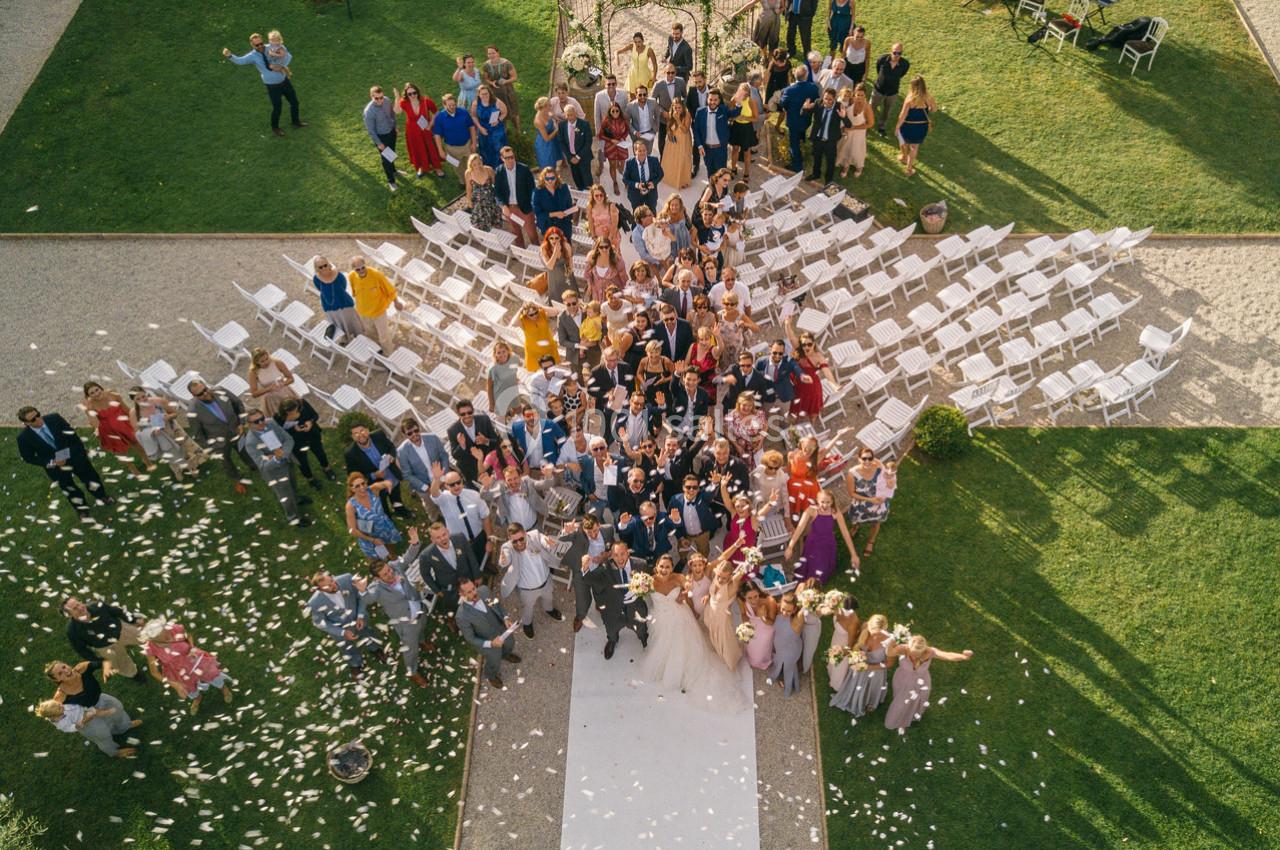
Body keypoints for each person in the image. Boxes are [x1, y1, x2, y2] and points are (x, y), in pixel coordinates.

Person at [642, 553, 748, 709]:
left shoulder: (678, 577)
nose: (664, 570)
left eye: (668, 567)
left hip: (679, 615)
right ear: (656, 566)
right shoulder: (649, 581)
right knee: (663, 644)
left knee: (682, 643)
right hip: (660, 619)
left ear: (672, 568)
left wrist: (685, 593)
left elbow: (687, 586)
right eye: (662, 566)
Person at [361, 532, 432, 689]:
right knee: (410, 650)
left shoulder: (394, 567)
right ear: (377, 578)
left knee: (422, 626)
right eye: (385, 574)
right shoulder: (376, 589)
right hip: (405, 623)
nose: (390, 574)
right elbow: (367, 599)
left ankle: (423, 641)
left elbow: (407, 558)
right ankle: (412, 671)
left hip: (418, 607)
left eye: (389, 570)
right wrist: (361, 591)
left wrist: (414, 544)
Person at [17, 407, 112, 520]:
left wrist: (68, 454)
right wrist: (52, 462)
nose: (38, 419)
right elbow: (28, 458)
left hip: (75, 456)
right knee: (68, 488)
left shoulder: (54, 418)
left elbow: (71, 434)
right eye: (33, 419)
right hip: (56, 468)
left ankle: (102, 496)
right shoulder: (23, 438)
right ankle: (82, 509)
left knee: (90, 477)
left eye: (38, 414)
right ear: (26, 423)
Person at [40, 661, 140, 758]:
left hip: (100, 699)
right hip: (85, 715)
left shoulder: (82, 669)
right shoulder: (60, 696)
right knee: (102, 735)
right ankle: (114, 752)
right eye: (60, 673)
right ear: (57, 680)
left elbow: (102, 662)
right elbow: (53, 715)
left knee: (117, 709)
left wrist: (107, 667)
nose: (66, 671)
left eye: (64, 667)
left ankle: (124, 726)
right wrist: (79, 722)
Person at [221, 32, 304, 136]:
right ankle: (275, 128)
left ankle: (296, 122)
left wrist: (281, 63)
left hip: (284, 81)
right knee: (277, 108)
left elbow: (286, 54)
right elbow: (240, 61)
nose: (260, 46)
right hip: (272, 86)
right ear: (252, 45)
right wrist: (230, 56)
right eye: (257, 45)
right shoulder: (252, 56)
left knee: (294, 102)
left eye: (261, 43)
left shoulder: (271, 47)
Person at [309, 568, 385, 680]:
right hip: (340, 629)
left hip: (359, 618)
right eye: (328, 586)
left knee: (367, 633)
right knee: (347, 648)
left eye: (332, 581)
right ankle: (355, 664)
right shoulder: (314, 602)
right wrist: (342, 632)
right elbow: (320, 622)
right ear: (319, 589)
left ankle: (376, 649)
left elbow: (361, 596)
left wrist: (360, 615)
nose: (334, 585)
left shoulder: (347, 579)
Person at [885, 635, 974, 731]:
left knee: (917, 700)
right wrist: (891, 642)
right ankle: (893, 721)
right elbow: (890, 652)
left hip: (922, 682)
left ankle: (912, 715)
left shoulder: (930, 651)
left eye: (917, 655)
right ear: (908, 647)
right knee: (900, 700)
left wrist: (964, 656)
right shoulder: (903, 648)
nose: (914, 657)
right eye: (912, 654)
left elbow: (948, 655)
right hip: (902, 680)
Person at [240, 407, 311, 526]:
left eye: (262, 418)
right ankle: (292, 517)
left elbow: (288, 439)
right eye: (256, 421)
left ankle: (297, 499)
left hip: (287, 460)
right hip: (275, 472)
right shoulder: (250, 442)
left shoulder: (271, 423)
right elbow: (263, 465)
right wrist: (276, 458)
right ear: (249, 424)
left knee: (293, 483)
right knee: (285, 496)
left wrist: (283, 454)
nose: (261, 422)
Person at [143, 621, 231, 715]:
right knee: (189, 688)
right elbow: (154, 672)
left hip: (195, 660)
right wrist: (175, 685)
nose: (167, 635)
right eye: (161, 636)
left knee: (212, 675)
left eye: (165, 631)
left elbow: (188, 636)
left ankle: (223, 688)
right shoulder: (150, 648)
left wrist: (192, 648)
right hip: (177, 671)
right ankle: (197, 698)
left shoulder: (174, 628)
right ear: (152, 639)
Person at [582, 541, 650, 660]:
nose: (619, 558)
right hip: (614, 609)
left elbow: (650, 581)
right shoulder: (605, 567)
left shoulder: (641, 565)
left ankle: (643, 637)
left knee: (641, 628)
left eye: (622, 554)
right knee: (611, 629)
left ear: (628, 552)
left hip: (635, 608)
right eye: (616, 555)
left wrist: (646, 587)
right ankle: (612, 640)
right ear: (611, 556)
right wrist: (585, 568)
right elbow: (591, 579)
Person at [497, 523, 566, 637]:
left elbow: (546, 542)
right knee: (527, 608)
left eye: (521, 539)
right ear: (509, 540)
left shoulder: (534, 535)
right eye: (514, 541)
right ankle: (527, 623)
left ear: (525, 533)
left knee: (548, 599)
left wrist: (550, 544)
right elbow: (505, 559)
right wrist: (503, 561)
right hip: (527, 590)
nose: (519, 543)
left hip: (546, 582)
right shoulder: (507, 547)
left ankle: (549, 610)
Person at [187, 380, 251, 494]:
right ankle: (237, 480)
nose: (205, 393)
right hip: (219, 443)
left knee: (245, 450)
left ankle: (253, 465)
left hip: (237, 430)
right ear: (193, 396)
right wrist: (211, 449)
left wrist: (241, 422)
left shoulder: (221, 391)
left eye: (205, 389)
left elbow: (238, 404)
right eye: (200, 394)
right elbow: (198, 434)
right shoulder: (193, 411)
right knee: (226, 462)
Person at [457, 577, 522, 689]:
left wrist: (505, 618)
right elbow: (470, 638)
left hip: (501, 628)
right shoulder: (461, 616)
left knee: (510, 643)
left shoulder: (484, 590)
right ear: (461, 594)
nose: (474, 593)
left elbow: (497, 605)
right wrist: (491, 644)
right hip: (487, 641)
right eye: (469, 592)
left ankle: (506, 654)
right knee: (494, 660)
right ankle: (491, 675)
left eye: (474, 588)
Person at [62, 596, 147, 682]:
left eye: (78, 604)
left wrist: (134, 620)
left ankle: (154, 651)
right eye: (75, 608)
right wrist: (100, 661)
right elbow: (81, 650)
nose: (80, 608)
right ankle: (134, 674)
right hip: (106, 647)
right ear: (69, 615)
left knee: (146, 638)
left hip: (121, 630)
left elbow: (116, 611)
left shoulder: (96, 605)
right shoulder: (72, 631)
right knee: (122, 665)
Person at [416, 521, 482, 628]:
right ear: (432, 540)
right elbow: (425, 574)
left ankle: (475, 615)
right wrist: (437, 591)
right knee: (451, 607)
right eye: (438, 537)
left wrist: (477, 575)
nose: (443, 539)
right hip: (448, 588)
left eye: (444, 534)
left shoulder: (460, 538)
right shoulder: (426, 555)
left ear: (448, 532)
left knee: (472, 598)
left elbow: (471, 557)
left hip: (467, 580)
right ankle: (451, 621)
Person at [786, 489, 856, 585]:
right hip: (813, 544)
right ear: (817, 501)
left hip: (828, 545)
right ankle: (805, 584)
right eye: (822, 502)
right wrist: (790, 546)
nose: (825, 505)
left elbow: (845, 533)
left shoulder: (835, 512)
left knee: (822, 568)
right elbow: (799, 528)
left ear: (832, 502)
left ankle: (817, 585)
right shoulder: (812, 510)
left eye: (828, 502)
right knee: (811, 565)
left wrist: (853, 554)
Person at [430, 468, 495, 567]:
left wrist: (489, 540)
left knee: (486, 558)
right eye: (452, 484)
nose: (456, 486)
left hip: (479, 537)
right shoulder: (443, 499)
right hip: (461, 543)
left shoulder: (474, 495)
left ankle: (488, 567)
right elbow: (434, 494)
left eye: (458, 482)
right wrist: (436, 479)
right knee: (469, 565)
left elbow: (485, 517)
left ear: (462, 481)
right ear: (446, 486)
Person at [829, 613, 892, 715]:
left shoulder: (889, 642)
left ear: (884, 629)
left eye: (877, 633)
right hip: (858, 667)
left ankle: (869, 701)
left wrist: (868, 667)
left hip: (875, 672)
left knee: (869, 690)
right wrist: (852, 654)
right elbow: (855, 645)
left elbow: (889, 664)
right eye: (872, 631)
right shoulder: (865, 627)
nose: (873, 635)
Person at [81, 381, 148, 476]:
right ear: (88, 396)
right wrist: (88, 411)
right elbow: (96, 424)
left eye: (97, 390)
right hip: (109, 431)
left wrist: (134, 419)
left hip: (124, 424)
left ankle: (146, 459)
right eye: (92, 393)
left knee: (136, 443)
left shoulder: (113, 394)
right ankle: (132, 468)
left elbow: (125, 408)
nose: (96, 393)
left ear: (101, 388)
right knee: (120, 452)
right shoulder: (90, 406)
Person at [345, 422, 410, 518]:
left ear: (367, 430)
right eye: (356, 433)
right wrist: (374, 475)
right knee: (382, 505)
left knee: (396, 496)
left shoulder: (379, 435)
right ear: (353, 437)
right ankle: (387, 517)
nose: (360, 435)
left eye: (362, 430)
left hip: (392, 476)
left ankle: (400, 510)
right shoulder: (350, 454)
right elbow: (354, 476)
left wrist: (391, 455)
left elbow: (391, 446)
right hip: (375, 486)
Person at [126, 389, 191, 481]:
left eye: (143, 396)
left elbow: (175, 413)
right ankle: (176, 469)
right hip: (158, 436)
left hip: (171, 429)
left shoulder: (158, 401)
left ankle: (190, 466)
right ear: (134, 401)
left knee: (182, 449)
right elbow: (137, 432)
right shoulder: (133, 413)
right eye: (138, 399)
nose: (142, 400)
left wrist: (168, 417)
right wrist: (150, 432)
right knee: (169, 454)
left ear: (146, 393)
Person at [274, 397, 335, 488]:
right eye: (291, 412)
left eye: (296, 410)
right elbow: (280, 433)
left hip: (312, 435)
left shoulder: (303, 404)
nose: (295, 413)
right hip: (296, 441)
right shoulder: (278, 417)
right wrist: (293, 430)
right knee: (302, 461)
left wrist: (310, 422)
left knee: (320, 453)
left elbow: (315, 415)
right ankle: (310, 479)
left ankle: (327, 469)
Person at [348, 255, 403, 354]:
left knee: (384, 337)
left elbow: (390, 290)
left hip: (379, 312)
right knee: (371, 333)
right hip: (363, 311)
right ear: (353, 269)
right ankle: (378, 350)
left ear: (365, 265)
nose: (361, 270)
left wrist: (396, 302)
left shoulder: (377, 275)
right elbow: (354, 292)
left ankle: (389, 356)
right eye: (357, 269)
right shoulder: (351, 276)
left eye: (362, 267)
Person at [703, 558, 748, 671]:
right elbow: (712, 592)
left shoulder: (732, 586)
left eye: (724, 578)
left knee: (725, 640)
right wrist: (707, 596)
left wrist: (750, 559)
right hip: (710, 613)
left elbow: (740, 573)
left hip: (721, 618)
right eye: (719, 576)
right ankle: (719, 652)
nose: (720, 579)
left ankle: (730, 661)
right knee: (713, 637)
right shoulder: (716, 577)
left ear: (730, 576)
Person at [397, 417, 451, 509]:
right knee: (431, 508)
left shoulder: (433, 438)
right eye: (410, 433)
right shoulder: (402, 451)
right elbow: (407, 475)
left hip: (442, 478)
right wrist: (426, 488)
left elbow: (444, 456)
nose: (414, 434)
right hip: (423, 485)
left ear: (419, 428)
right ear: (405, 435)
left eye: (416, 430)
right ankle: (435, 520)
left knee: (450, 502)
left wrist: (442, 477)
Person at [844, 447, 889, 556]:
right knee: (855, 520)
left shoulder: (878, 468)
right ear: (858, 459)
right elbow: (852, 494)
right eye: (864, 458)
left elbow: (888, 479)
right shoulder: (852, 473)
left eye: (870, 458)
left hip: (878, 504)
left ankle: (870, 542)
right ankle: (855, 527)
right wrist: (869, 499)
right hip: (861, 504)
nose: (867, 461)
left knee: (876, 523)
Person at [394, 81, 444, 179]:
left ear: (417, 92)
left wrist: (430, 125)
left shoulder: (426, 101)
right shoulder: (404, 102)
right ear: (406, 94)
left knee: (431, 148)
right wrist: (397, 97)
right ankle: (421, 167)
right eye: (410, 94)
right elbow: (397, 111)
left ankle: (437, 167)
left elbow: (436, 112)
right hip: (412, 132)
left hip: (426, 130)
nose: (412, 95)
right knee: (417, 149)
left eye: (414, 93)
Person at [446, 400, 502, 485]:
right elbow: (455, 455)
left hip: (488, 461)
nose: (467, 416)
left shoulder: (484, 420)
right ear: (458, 415)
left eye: (469, 412)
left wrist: (486, 441)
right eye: (463, 414)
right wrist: (462, 446)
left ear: (473, 411)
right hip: (469, 468)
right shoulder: (453, 430)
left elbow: (497, 442)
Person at [494, 145, 538, 246]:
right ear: (502, 158)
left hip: (525, 207)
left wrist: (532, 206)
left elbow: (532, 189)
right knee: (516, 232)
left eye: (512, 157)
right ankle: (521, 253)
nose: (510, 160)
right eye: (507, 158)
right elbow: (497, 192)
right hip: (510, 208)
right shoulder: (499, 171)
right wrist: (503, 206)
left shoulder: (524, 169)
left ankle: (539, 253)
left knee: (532, 234)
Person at [779, 66, 820, 173]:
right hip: (806, 119)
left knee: (794, 143)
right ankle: (802, 143)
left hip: (793, 121)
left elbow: (783, 104)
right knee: (801, 134)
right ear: (806, 76)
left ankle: (797, 166)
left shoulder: (788, 90)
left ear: (795, 76)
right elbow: (815, 101)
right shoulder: (813, 88)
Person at [693, 89, 742, 177]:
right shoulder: (700, 112)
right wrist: (699, 146)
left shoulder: (723, 109)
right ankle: (712, 190)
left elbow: (735, 113)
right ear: (707, 99)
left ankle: (723, 191)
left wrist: (738, 102)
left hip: (720, 149)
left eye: (715, 100)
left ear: (719, 100)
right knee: (710, 174)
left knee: (722, 175)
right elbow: (696, 130)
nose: (712, 102)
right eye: (710, 99)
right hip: (706, 150)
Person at [312, 256, 362, 343]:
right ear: (317, 269)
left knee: (352, 322)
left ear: (329, 264)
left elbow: (343, 286)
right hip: (329, 307)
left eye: (325, 265)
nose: (324, 268)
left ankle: (359, 336)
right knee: (339, 324)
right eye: (321, 267)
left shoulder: (339, 276)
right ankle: (345, 338)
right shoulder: (316, 279)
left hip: (344, 304)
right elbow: (320, 289)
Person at [895, 75, 936, 177]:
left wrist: (897, 126)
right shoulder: (928, 96)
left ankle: (903, 156)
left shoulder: (910, 98)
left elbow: (902, 115)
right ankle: (909, 168)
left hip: (908, 125)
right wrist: (928, 109)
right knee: (914, 147)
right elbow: (934, 109)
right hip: (921, 126)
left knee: (903, 141)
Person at [807, 86, 849, 184]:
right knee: (817, 157)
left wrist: (844, 117)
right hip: (818, 138)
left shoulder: (839, 107)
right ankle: (816, 174)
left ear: (834, 98)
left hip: (830, 141)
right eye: (825, 98)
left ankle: (828, 180)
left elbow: (849, 124)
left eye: (830, 99)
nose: (827, 101)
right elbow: (804, 114)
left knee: (830, 162)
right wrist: (805, 108)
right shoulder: (818, 102)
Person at [432, 93, 477, 182]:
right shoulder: (440, 118)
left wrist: (474, 142)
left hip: (467, 145)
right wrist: (440, 150)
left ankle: (475, 179)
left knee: (473, 163)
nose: (453, 107)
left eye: (454, 104)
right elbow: (437, 135)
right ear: (444, 105)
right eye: (450, 105)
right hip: (452, 148)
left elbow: (471, 127)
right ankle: (463, 181)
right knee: (458, 166)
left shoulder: (463, 112)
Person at [363, 86, 400, 192]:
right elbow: (371, 131)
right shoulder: (369, 111)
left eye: (381, 97)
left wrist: (395, 126)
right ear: (371, 97)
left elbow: (392, 114)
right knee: (386, 159)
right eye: (377, 98)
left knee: (392, 152)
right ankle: (391, 181)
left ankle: (394, 171)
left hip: (391, 132)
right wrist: (379, 143)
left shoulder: (387, 100)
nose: (380, 100)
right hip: (381, 137)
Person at [768, 592, 805, 695]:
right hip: (779, 646)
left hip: (791, 649)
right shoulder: (779, 612)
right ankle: (779, 674)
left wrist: (808, 600)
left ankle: (788, 685)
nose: (784, 613)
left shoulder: (797, 620)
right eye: (783, 609)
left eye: (789, 611)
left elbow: (804, 611)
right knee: (778, 659)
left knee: (788, 664)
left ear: (794, 609)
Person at [756, 338, 809, 409]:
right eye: (775, 352)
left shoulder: (788, 362)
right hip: (768, 398)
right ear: (770, 348)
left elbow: (795, 367)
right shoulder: (761, 362)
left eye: (780, 353)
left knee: (784, 418)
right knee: (767, 416)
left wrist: (801, 375)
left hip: (784, 396)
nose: (777, 356)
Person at [246, 346, 297, 417]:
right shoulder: (253, 372)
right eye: (262, 361)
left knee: (295, 411)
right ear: (256, 362)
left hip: (285, 393)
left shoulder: (277, 363)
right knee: (281, 417)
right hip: (270, 399)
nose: (266, 362)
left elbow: (291, 379)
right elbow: (254, 394)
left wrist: (282, 384)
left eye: (267, 359)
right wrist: (269, 388)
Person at [871, 43, 910, 135]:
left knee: (887, 111)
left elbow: (902, 74)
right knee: (871, 107)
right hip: (879, 90)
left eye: (899, 53)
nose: (897, 55)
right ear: (891, 51)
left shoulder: (905, 64)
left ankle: (881, 127)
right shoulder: (882, 59)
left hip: (892, 92)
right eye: (895, 52)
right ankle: (867, 122)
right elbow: (878, 69)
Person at [836, 83, 874, 178]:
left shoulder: (867, 107)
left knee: (856, 151)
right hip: (847, 130)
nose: (859, 97)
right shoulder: (850, 101)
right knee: (845, 148)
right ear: (854, 94)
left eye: (862, 95)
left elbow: (870, 123)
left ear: (865, 95)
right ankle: (845, 166)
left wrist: (855, 128)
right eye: (858, 95)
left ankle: (859, 167)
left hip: (859, 132)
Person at [481, 45, 521, 132]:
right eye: (489, 53)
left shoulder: (506, 63)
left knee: (513, 111)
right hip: (494, 92)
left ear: (498, 53)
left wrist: (505, 81)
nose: (491, 55)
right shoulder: (486, 66)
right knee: (498, 111)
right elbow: (485, 78)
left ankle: (518, 130)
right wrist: (491, 83)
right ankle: (504, 130)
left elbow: (514, 77)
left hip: (507, 91)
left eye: (493, 53)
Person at [739, 582, 777, 670]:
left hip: (766, 627)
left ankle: (764, 660)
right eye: (749, 598)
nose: (753, 600)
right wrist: (745, 626)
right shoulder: (741, 599)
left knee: (762, 651)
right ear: (744, 596)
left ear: (759, 592)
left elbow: (772, 622)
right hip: (752, 625)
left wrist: (762, 617)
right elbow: (743, 614)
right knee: (751, 646)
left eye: (756, 596)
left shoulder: (769, 601)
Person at [557, 103, 595, 191]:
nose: (569, 117)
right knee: (577, 178)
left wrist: (578, 157)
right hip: (571, 158)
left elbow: (588, 142)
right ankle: (581, 195)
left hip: (584, 157)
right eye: (567, 115)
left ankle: (591, 197)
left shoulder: (584, 124)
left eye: (571, 114)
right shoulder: (562, 125)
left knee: (587, 180)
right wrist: (570, 157)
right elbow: (561, 142)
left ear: (575, 113)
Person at [471, 84, 509, 170]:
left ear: (489, 93)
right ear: (479, 95)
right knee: (485, 151)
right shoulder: (476, 104)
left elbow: (505, 112)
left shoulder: (496, 102)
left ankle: (501, 169)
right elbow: (473, 116)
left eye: (486, 93)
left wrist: (498, 120)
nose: (484, 96)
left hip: (497, 130)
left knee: (498, 150)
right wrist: (480, 128)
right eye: (482, 94)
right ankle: (489, 170)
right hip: (483, 130)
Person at [515, 302, 561, 371]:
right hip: (534, 352)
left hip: (549, 348)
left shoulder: (541, 314)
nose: (534, 315)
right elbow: (513, 323)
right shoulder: (523, 320)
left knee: (554, 369)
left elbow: (556, 312)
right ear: (526, 314)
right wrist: (521, 310)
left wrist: (540, 306)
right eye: (531, 315)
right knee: (539, 374)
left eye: (535, 312)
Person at [597, 101, 631, 195]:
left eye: (617, 111)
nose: (615, 113)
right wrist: (611, 140)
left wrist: (623, 138)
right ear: (610, 111)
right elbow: (600, 135)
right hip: (610, 146)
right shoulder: (606, 121)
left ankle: (624, 178)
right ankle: (615, 182)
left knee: (622, 164)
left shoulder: (623, 120)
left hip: (621, 145)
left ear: (620, 111)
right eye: (613, 111)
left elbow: (627, 130)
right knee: (612, 165)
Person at [652, 64, 686, 157]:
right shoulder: (658, 84)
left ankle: (675, 159)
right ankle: (663, 159)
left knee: (676, 140)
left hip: (677, 117)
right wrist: (662, 111)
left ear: (675, 72)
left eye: (673, 72)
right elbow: (653, 101)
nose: (670, 75)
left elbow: (685, 97)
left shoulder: (681, 81)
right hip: (664, 118)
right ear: (664, 72)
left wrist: (681, 108)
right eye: (668, 73)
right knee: (661, 142)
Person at [622, 138, 663, 213]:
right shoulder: (629, 163)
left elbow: (661, 174)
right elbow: (625, 179)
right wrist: (637, 185)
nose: (642, 153)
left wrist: (653, 183)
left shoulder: (654, 160)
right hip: (635, 194)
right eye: (640, 151)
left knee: (652, 212)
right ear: (635, 151)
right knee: (637, 214)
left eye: (644, 150)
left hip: (651, 193)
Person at [726, 83, 758, 179]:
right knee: (734, 149)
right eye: (741, 93)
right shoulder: (734, 99)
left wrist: (745, 118)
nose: (743, 96)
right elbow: (729, 113)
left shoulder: (751, 102)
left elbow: (756, 118)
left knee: (746, 151)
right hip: (736, 126)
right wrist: (734, 116)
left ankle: (746, 172)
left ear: (748, 94)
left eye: (745, 94)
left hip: (746, 128)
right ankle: (733, 169)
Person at [464, 153, 503, 232]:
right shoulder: (468, 173)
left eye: (479, 163)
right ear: (471, 165)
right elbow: (468, 188)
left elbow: (496, 184)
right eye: (474, 165)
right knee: (481, 224)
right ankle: (486, 236)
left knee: (495, 222)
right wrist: (468, 200)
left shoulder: (488, 170)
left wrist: (500, 198)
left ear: (482, 161)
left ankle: (496, 233)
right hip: (478, 203)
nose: (477, 166)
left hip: (491, 201)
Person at [683, 70, 712, 179]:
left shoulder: (713, 90)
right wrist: (694, 117)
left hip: (710, 123)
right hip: (696, 122)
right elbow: (688, 105)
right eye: (696, 82)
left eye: (700, 82)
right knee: (696, 143)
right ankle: (696, 165)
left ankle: (710, 164)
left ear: (705, 79)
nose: (698, 85)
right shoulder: (692, 90)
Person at [660, 100, 693, 191]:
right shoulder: (671, 113)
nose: (677, 110)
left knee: (683, 159)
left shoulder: (687, 114)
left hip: (683, 140)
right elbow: (668, 126)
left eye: (679, 108)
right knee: (671, 159)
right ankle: (671, 179)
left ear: (682, 107)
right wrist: (669, 132)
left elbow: (685, 130)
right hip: (672, 141)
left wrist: (678, 119)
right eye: (675, 108)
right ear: (673, 107)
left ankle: (683, 181)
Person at [725, 392, 767, 462]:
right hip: (738, 452)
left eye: (750, 405)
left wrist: (760, 443)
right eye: (744, 405)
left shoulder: (759, 414)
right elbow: (726, 431)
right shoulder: (731, 416)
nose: (747, 408)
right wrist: (737, 447)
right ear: (739, 404)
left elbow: (765, 427)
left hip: (755, 451)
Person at [533, 171, 575, 236]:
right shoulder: (538, 192)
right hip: (548, 225)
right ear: (543, 179)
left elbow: (569, 205)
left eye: (552, 178)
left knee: (567, 244)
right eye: (547, 179)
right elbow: (538, 213)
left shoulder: (563, 187)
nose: (550, 181)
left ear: (556, 177)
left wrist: (568, 216)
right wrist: (554, 214)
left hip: (564, 224)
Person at [617, 31, 658, 98]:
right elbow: (617, 52)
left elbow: (655, 64)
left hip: (644, 74)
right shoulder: (631, 46)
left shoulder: (649, 50)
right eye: (635, 42)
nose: (637, 44)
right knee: (632, 96)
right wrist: (617, 58)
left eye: (639, 42)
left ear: (643, 41)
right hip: (633, 74)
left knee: (643, 95)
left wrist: (654, 77)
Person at [585, 184, 622, 252]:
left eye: (601, 195)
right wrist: (594, 237)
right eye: (596, 195)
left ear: (604, 195)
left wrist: (609, 239)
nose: (599, 197)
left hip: (612, 234)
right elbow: (590, 222)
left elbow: (614, 224)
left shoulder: (611, 205)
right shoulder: (590, 206)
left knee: (615, 255)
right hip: (599, 236)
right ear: (592, 196)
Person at [626, 85, 661, 152]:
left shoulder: (653, 102)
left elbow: (657, 115)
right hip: (637, 135)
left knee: (648, 153)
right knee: (638, 155)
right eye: (640, 95)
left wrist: (656, 128)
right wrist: (634, 132)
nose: (642, 97)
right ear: (636, 95)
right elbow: (627, 121)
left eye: (644, 94)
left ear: (647, 94)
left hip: (650, 133)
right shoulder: (630, 106)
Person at [532, 97, 562, 174]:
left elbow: (552, 115)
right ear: (544, 107)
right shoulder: (538, 121)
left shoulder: (547, 112)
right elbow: (546, 138)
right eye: (549, 106)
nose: (551, 107)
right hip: (544, 144)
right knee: (548, 166)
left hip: (553, 139)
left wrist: (557, 119)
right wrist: (557, 130)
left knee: (556, 159)